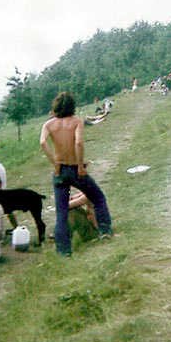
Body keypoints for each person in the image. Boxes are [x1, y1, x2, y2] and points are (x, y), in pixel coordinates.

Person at [40, 91, 113, 256]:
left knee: (61, 211)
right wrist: (80, 165)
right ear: (72, 106)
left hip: (60, 170)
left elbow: (43, 142)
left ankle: (64, 251)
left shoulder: (49, 125)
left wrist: (55, 163)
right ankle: (105, 231)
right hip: (74, 167)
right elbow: (78, 143)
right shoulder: (76, 122)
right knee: (98, 197)